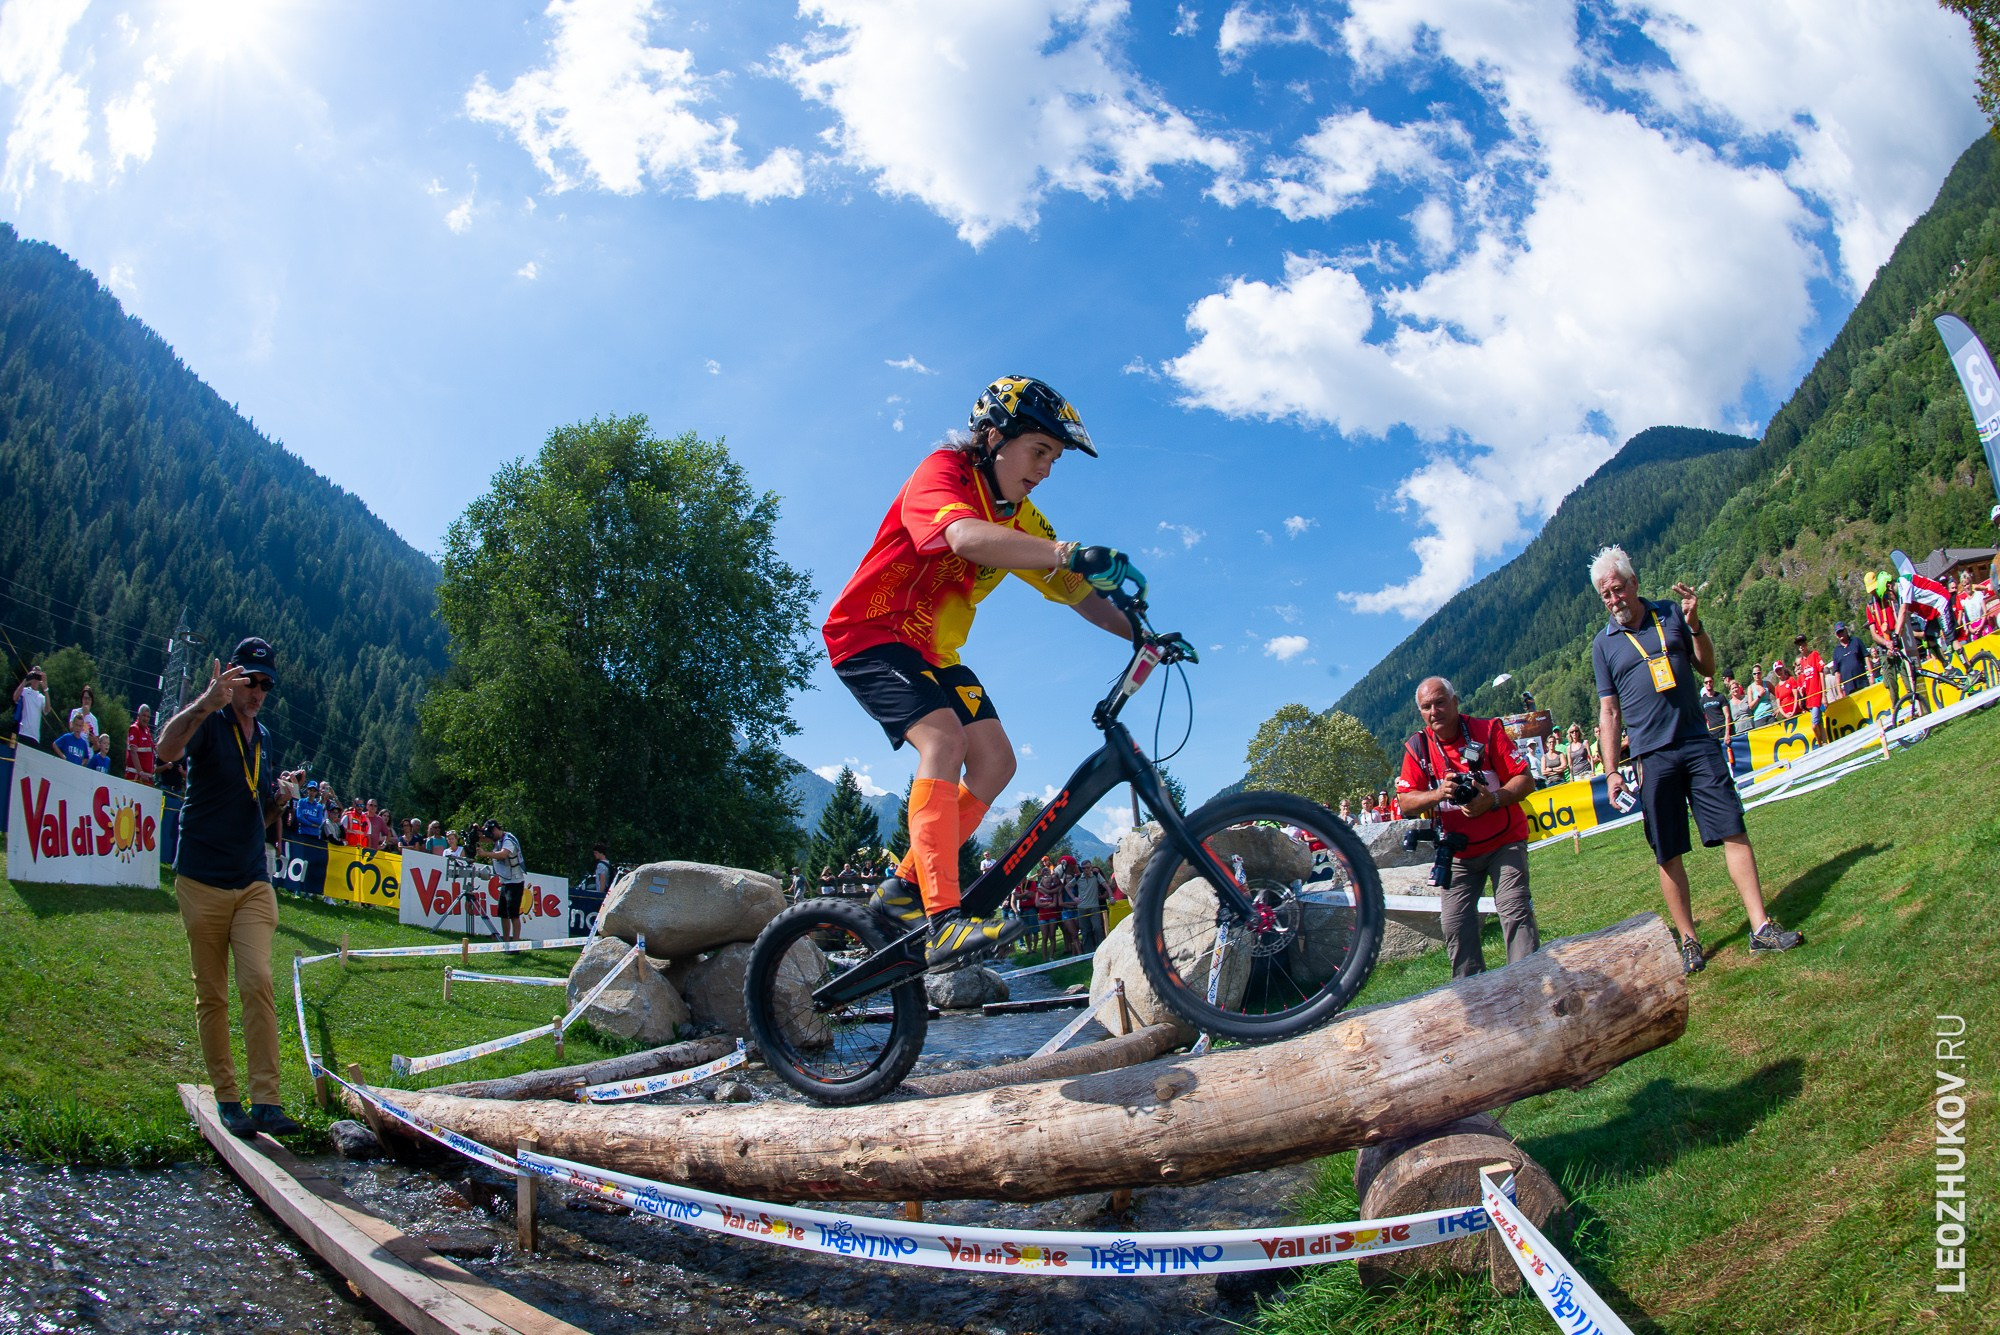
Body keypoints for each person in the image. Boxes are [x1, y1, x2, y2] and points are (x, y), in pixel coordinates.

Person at [824, 374, 1167, 968]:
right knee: (943, 739)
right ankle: (942, 921)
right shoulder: (942, 472)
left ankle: (904, 890)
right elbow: (962, 536)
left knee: (997, 762)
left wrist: (1145, 634)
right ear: (991, 438)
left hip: (936, 653)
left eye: (1054, 459)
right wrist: (1067, 552)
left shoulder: (1026, 520)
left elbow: (1079, 594)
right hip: (870, 633)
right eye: (1039, 451)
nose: (1046, 470)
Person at [1589, 546, 1801, 974]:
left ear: (1634, 584)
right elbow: (1609, 713)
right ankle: (1688, 940)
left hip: (1696, 742)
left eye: (1617, 590)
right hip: (1651, 758)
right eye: (1605, 596)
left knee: (1733, 829)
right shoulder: (1603, 645)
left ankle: (1760, 928)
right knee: (1667, 851)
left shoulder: (1669, 614)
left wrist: (1695, 625)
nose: (1613, 601)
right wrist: (1612, 771)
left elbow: (1707, 667)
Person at [154, 636, 302, 1139]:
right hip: (200, 878)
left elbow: (259, 816)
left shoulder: (262, 739)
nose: (258, 692)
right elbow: (163, 749)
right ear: (231, 678)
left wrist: (279, 801)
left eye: (265, 684)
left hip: (251, 882)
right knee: (212, 994)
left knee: (256, 979)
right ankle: (228, 1097)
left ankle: (267, 1101)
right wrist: (203, 703)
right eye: (250, 681)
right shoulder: (210, 721)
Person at [1394, 677, 1539, 979]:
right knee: (1456, 927)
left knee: (1514, 912)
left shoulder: (1487, 731)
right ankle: (1472, 997)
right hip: (1457, 852)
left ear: (1455, 701)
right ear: (1420, 712)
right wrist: (1440, 793)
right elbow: (1406, 803)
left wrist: (1494, 800)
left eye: (1440, 702)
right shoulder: (1417, 747)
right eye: (1426, 707)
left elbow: (1525, 779)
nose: (1434, 711)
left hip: (1504, 842)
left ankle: (1527, 986)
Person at [485, 818, 527, 941]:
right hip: (505, 882)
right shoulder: (499, 840)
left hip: (515, 882)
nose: (491, 837)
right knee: (503, 914)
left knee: (513, 915)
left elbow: (503, 854)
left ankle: (515, 943)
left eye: (491, 833)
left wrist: (485, 854)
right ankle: (506, 941)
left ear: (496, 829)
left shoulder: (508, 840)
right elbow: (484, 838)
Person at [1793, 634, 1826, 742]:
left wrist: (1824, 693)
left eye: (1802, 644)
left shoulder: (1814, 654)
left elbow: (1821, 672)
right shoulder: (1802, 661)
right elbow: (1804, 678)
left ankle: (1820, 744)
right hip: (1809, 696)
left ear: (1806, 644)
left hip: (1817, 693)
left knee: (1814, 724)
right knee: (1820, 722)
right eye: (1799, 645)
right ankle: (1825, 742)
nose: (1801, 647)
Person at [1073, 858, 1108, 949]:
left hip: (1094, 906)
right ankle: (1088, 951)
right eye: (1083, 868)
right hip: (1082, 907)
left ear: (1091, 867)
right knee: (1085, 930)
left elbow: (1105, 885)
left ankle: (1101, 948)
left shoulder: (1096, 875)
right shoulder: (1078, 877)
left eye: (1088, 867)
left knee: (1097, 928)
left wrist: (1111, 896)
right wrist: (1074, 898)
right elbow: (1067, 886)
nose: (1086, 870)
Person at [1829, 622, 1868, 701]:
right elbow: (1837, 672)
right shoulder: (1836, 651)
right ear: (1836, 635)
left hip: (1862, 681)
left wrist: (1871, 675)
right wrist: (1839, 691)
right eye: (1838, 633)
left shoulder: (1856, 641)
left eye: (1841, 631)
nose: (1840, 634)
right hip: (1849, 687)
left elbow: (1866, 656)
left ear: (1845, 630)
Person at [12, 664, 48, 751]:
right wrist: (26, 680)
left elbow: (47, 710)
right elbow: (15, 698)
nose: (35, 679)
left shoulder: (41, 697)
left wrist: (46, 689)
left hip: (35, 736)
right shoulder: (24, 691)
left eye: (37, 676)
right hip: (24, 732)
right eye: (34, 676)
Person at [124, 704, 156, 785]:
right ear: (138, 716)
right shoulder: (135, 729)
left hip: (146, 779)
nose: (146, 719)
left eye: (148, 717)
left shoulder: (147, 731)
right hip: (136, 777)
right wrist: (140, 772)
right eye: (144, 716)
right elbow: (133, 752)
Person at [1698, 676, 1730, 746]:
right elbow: (1703, 719)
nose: (1708, 683)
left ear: (1713, 682)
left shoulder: (1720, 697)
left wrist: (1727, 733)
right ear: (1704, 684)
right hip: (1712, 733)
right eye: (1706, 682)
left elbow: (1727, 715)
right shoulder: (1702, 701)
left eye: (1710, 681)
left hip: (1723, 730)